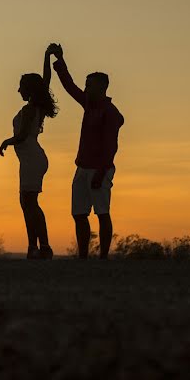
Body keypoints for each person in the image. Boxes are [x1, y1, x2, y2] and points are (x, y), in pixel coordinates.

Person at [48, 43, 124, 259]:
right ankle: (83, 256)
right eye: (86, 85)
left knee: (102, 212)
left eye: (89, 85)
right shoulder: (88, 104)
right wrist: (60, 61)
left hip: (100, 170)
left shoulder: (109, 112)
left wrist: (100, 173)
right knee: (79, 214)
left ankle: (103, 257)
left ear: (102, 88)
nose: (86, 89)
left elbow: (111, 147)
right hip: (82, 167)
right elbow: (69, 86)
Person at [0, 47, 58, 259]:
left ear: (29, 90)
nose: (18, 90)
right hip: (32, 158)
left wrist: (7, 141)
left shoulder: (30, 109)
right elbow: (46, 81)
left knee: (29, 203)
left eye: (21, 87)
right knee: (27, 203)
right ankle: (34, 247)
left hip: (32, 158)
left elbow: (23, 135)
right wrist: (46, 55)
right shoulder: (37, 106)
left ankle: (42, 247)